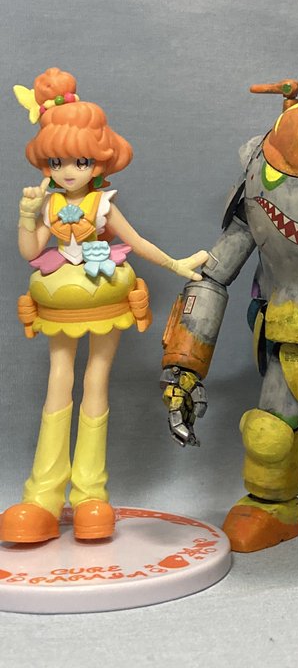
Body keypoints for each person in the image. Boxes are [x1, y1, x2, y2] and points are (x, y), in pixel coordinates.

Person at [0, 67, 208, 543]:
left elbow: (138, 242)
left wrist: (175, 264)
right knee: (58, 381)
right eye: (56, 161)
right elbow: (31, 251)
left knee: (96, 379)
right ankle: (42, 495)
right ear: (45, 163)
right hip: (59, 296)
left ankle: (90, 493)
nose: (67, 171)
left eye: (78, 161)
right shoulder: (48, 204)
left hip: (103, 291)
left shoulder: (103, 205)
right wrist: (27, 217)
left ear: (98, 162)